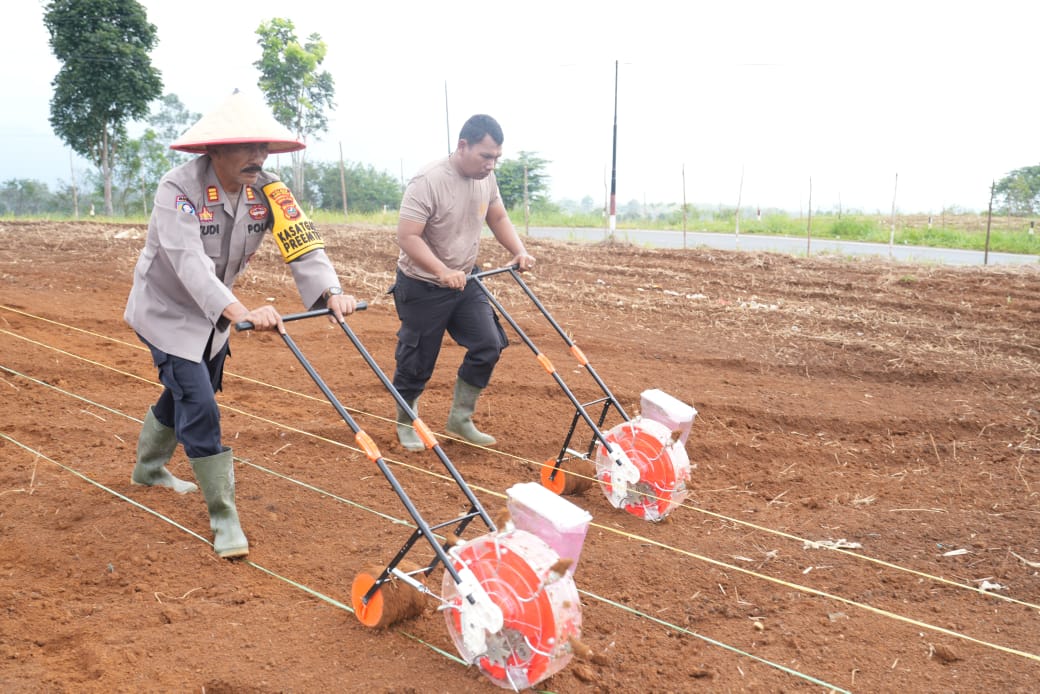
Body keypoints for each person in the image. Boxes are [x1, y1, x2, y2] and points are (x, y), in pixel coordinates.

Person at [124, 90, 359, 559]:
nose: (258, 157)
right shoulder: (179, 190)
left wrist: (331, 291)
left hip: (217, 316)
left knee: (185, 389)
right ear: (214, 149)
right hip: (168, 311)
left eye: (264, 148)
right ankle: (223, 515)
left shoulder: (270, 191)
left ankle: (149, 467)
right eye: (246, 148)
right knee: (200, 401)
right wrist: (241, 311)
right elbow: (189, 263)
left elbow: (302, 243)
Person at [390, 114, 535, 451]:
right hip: (423, 284)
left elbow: (496, 215)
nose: (491, 164)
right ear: (463, 146)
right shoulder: (427, 180)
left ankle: (460, 418)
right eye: (486, 156)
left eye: (496, 157)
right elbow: (407, 237)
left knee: (489, 344)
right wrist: (441, 271)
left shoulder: (487, 178)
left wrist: (518, 250)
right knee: (417, 360)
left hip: (466, 278)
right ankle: (404, 422)